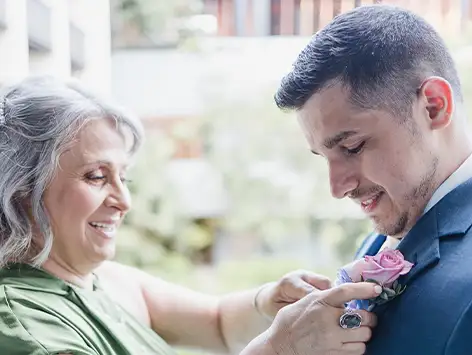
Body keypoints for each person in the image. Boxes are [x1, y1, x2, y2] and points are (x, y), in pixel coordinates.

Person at [0, 75, 380, 355]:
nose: (123, 199)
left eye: (123, 176)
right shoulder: (25, 327)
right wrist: (282, 348)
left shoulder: (101, 280)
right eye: (96, 177)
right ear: (20, 191)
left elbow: (216, 323)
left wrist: (271, 300)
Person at [275, 4, 472, 355]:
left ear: (434, 106)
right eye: (324, 157)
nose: (337, 189)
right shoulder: (377, 243)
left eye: (352, 147)